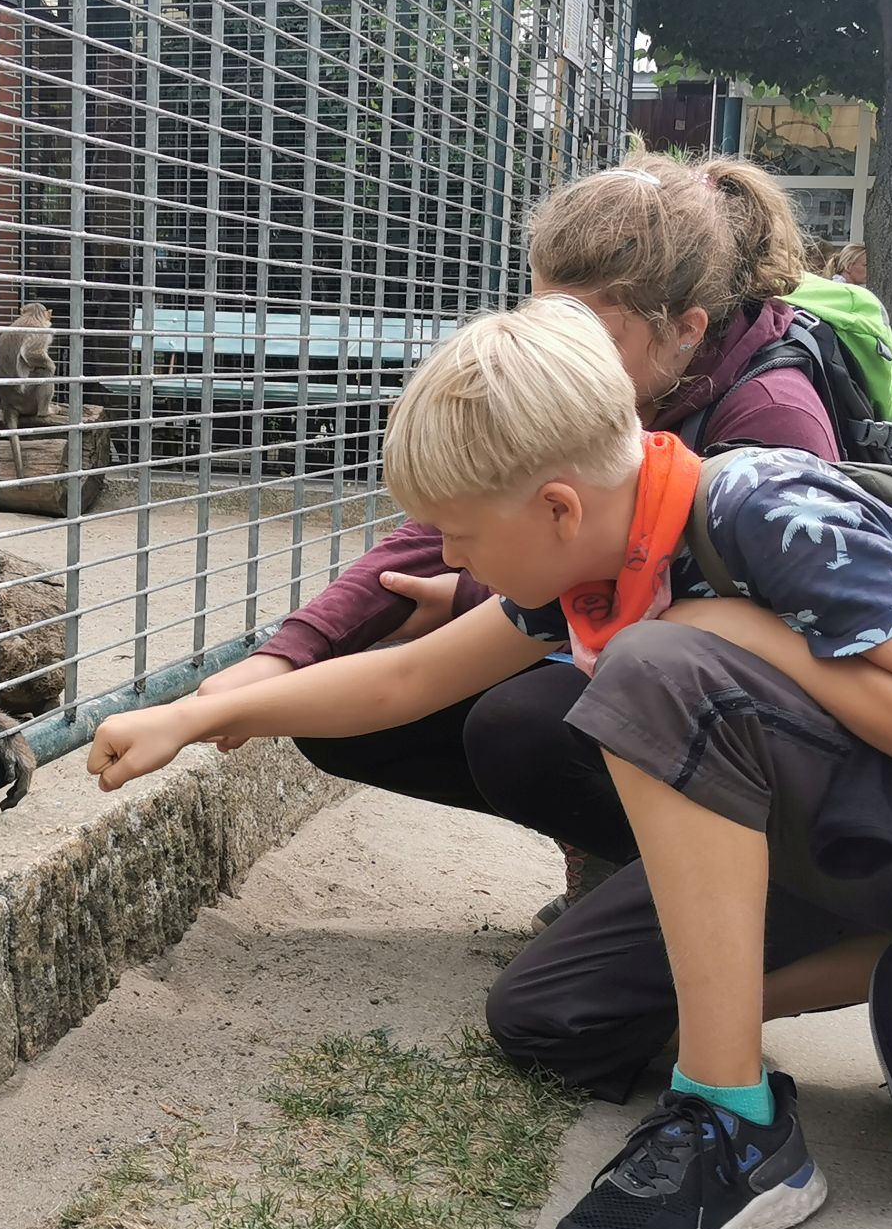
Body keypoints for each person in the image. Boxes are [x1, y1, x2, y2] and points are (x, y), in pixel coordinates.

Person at [88, 296, 892, 1229]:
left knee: (653, 671)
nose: (447, 558)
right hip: (853, 830)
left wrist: (739, 633)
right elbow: (407, 677)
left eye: (461, 534)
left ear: (557, 505)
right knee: (549, 1016)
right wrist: (192, 717)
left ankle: (733, 1120)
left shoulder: (765, 508)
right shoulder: (602, 560)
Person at [197, 151, 839, 929]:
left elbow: (769, 657)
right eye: (547, 318)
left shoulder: (774, 424)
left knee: (527, 724)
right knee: (345, 683)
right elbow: (444, 523)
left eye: (587, 330)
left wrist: (478, 596)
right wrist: (280, 660)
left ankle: (725, 890)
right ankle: (624, 860)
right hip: (618, 641)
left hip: (765, 736)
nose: (560, 347)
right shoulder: (606, 373)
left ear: (684, 331)